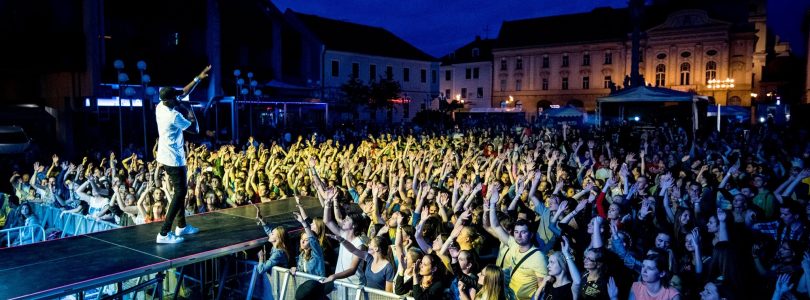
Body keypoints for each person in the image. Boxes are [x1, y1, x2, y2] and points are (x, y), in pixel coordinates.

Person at [154, 65, 210, 244]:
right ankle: (163, 233)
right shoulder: (172, 116)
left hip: (169, 154)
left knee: (181, 191)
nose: (179, 98)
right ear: (169, 101)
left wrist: (198, 78)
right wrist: (190, 110)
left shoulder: (160, 105)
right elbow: (196, 129)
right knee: (180, 193)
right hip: (173, 158)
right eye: (175, 98)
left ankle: (182, 226)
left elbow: (183, 92)